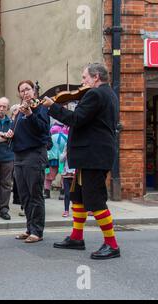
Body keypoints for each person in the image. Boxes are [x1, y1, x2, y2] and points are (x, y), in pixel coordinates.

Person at [43, 62, 121, 259]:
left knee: (95, 201)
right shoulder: (110, 93)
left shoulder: (95, 94)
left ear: (96, 77)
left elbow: (76, 119)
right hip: (91, 156)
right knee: (77, 197)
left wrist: (53, 107)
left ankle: (112, 244)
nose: (82, 81)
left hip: (93, 157)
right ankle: (77, 238)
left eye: (85, 77)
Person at [8, 80, 50, 244]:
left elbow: (42, 129)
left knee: (35, 194)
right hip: (19, 155)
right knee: (24, 195)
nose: (25, 92)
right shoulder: (19, 111)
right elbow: (16, 129)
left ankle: (37, 231)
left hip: (34, 154)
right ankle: (29, 228)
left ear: (33, 91)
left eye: (28, 89)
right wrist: (9, 133)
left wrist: (30, 115)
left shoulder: (40, 108)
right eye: (22, 90)